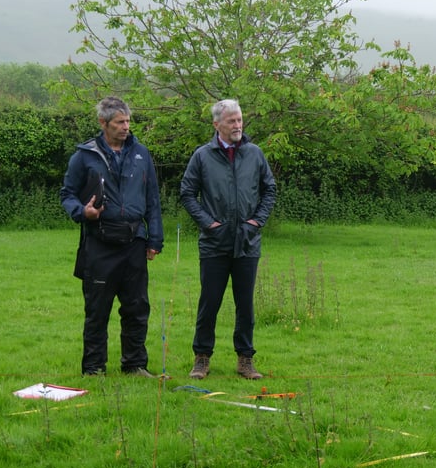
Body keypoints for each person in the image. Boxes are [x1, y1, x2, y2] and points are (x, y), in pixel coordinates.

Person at [61, 96, 164, 377]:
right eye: (120, 122)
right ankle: (94, 367)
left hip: (134, 241)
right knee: (97, 309)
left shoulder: (141, 154)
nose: (126, 127)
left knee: (137, 307)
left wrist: (155, 239)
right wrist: (83, 212)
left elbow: (152, 199)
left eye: (128, 121)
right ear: (103, 123)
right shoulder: (84, 156)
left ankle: (134, 364)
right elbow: (66, 195)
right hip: (99, 242)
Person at [180, 99, 276, 380]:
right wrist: (208, 223)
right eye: (232, 121)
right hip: (214, 243)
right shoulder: (202, 156)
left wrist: (256, 222)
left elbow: (269, 190)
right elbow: (187, 193)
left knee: (245, 304)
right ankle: (201, 358)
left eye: (240, 120)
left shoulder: (255, 154)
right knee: (209, 302)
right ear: (217, 125)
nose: (238, 125)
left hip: (247, 243)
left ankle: (245, 359)